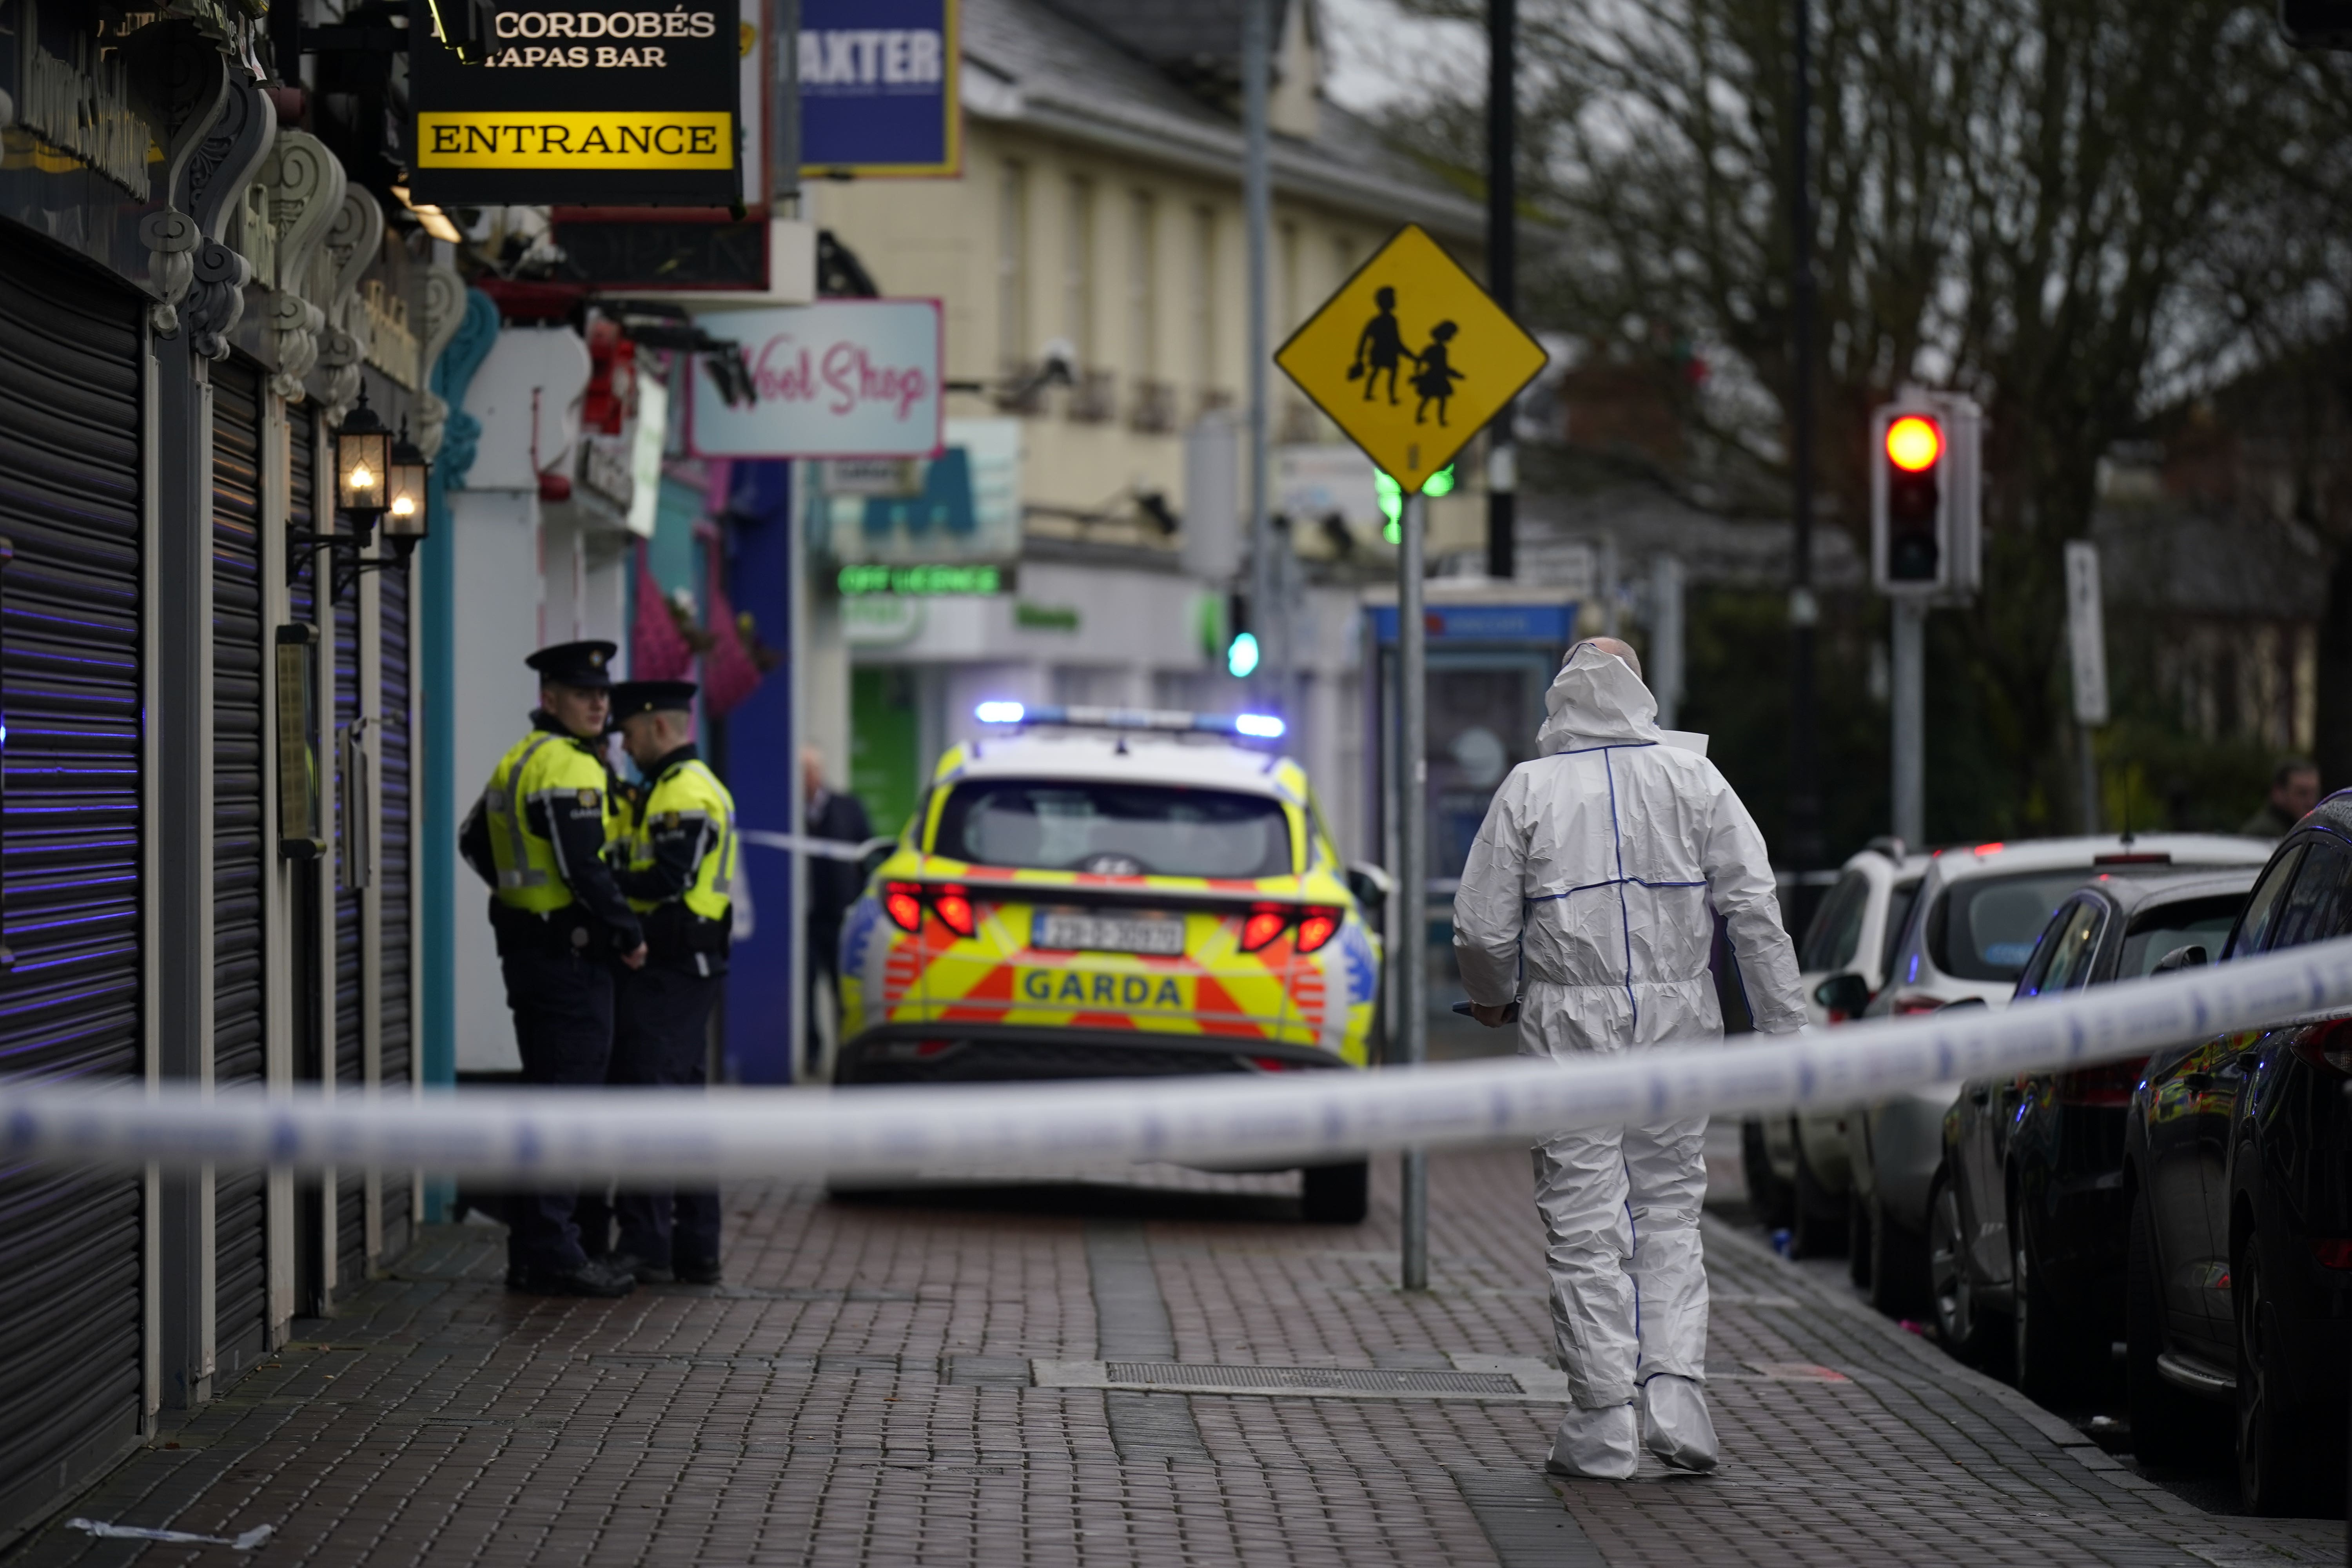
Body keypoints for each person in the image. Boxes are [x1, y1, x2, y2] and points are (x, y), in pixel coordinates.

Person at [1452, 637, 1806, 1479]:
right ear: (1640, 691)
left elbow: (1479, 924)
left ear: (1562, 696)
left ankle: (1604, 1418)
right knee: (1669, 1207)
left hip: (1569, 1020)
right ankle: (1677, 1391)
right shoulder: (1696, 779)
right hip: (1681, 1015)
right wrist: (1790, 1032)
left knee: (1582, 1220)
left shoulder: (1530, 788)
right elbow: (1755, 907)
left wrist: (1497, 994)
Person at [459, 640, 646, 1299]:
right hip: (569, 959)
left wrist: (517, 899)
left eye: (602, 693)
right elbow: (582, 865)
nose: (599, 702)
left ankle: (534, 1249)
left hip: (529, 951)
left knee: (544, 1097)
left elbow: (472, 839)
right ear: (551, 699)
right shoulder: (567, 766)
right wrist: (626, 931)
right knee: (566, 1103)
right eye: (582, 693)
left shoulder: (522, 758)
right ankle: (555, 1254)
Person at [602, 680, 737, 1285]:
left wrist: (603, 886)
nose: (625, 748)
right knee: (682, 1107)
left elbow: (668, 879)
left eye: (628, 734)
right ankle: (695, 1245)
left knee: (648, 1102)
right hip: (686, 968)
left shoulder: (684, 792)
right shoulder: (669, 788)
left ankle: (647, 1243)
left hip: (671, 969)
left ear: (659, 726)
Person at [804, 746, 873, 1073]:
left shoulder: (848, 808)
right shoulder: (790, 811)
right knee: (803, 992)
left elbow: (867, 858)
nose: (806, 779)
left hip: (838, 916)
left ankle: (846, 1058)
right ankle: (811, 1054)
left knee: (842, 993)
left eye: (810, 771)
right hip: (804, 919)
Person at [2240, 758, 2320, 838]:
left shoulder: (2303, 828)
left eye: (2315, 793)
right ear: (2279, 793)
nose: (2311, 802)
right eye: (2302, 793)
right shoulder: (2263, 833)